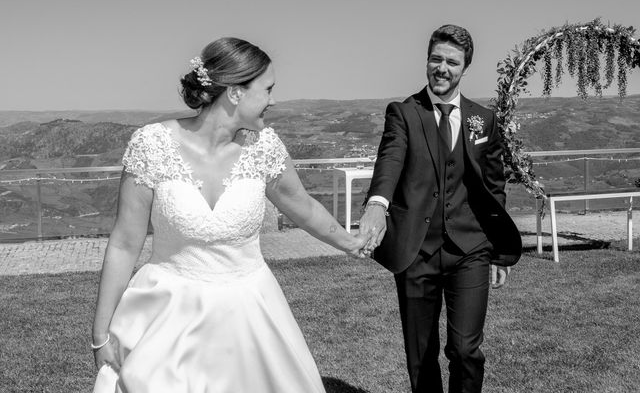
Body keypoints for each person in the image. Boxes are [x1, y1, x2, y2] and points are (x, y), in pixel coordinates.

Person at [91, 37, 368, 393]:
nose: (273, 99)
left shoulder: (264, 147)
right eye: (267, 89)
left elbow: (304, 206)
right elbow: (125, 243)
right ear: (236, 93)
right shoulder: (151, 145)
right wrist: (101, 333)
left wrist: (352, 243)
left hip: (250, 314)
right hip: (167, 314)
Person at [358, 25, 522, 393]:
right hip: (418, 250)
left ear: (465, 68)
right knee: (421, 353)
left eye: (452, 61)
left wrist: (496, 252)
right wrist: (376, 204)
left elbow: (494, 187)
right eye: (436, 59)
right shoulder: (403, 113)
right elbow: (390, 160)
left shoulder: (484, 119)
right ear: (427, 60)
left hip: (471, 250)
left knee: (465, 349)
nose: (442, 68)